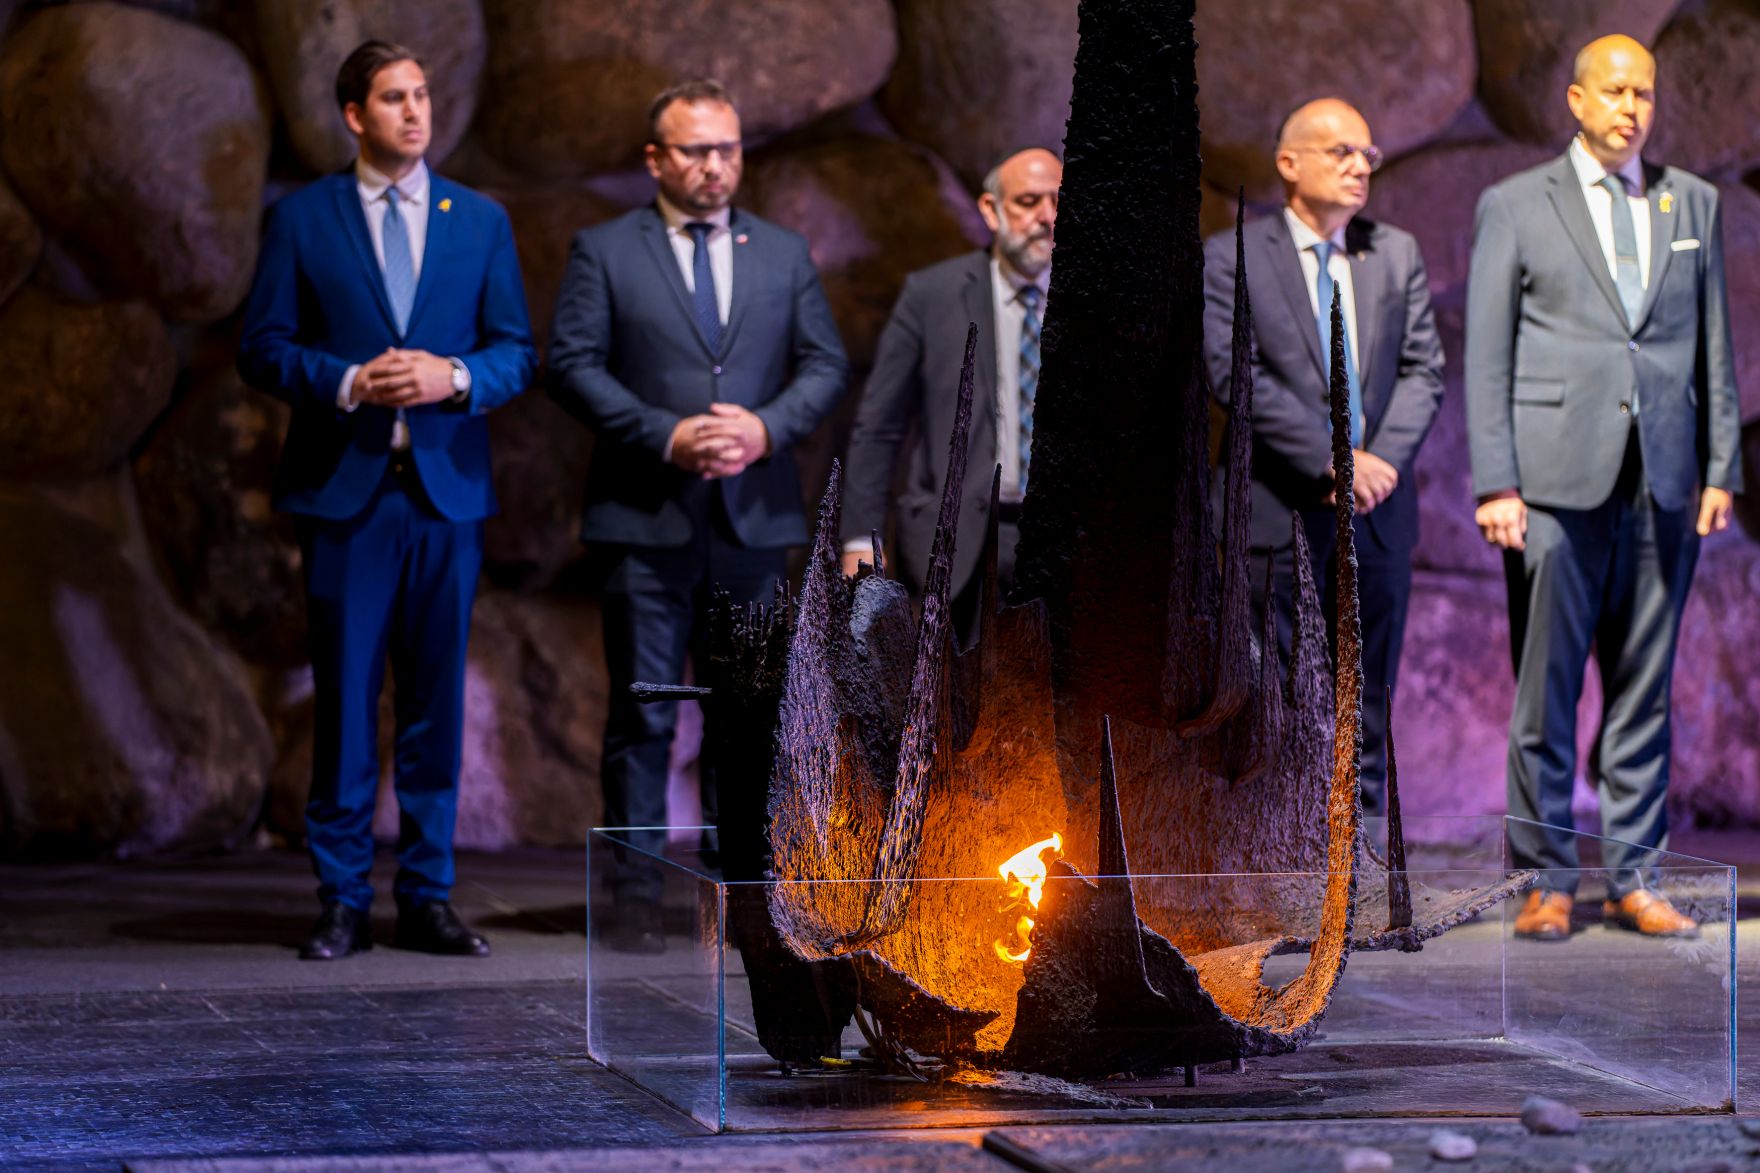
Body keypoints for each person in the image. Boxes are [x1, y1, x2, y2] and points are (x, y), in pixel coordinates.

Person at [238, 41, 536, 960]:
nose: (416, 112)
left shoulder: (478, 219)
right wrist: (346, 381)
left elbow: (516, 352)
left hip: (445, 497)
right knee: (345, 701)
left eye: (422, 95)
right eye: (393, 98)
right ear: (354, 116)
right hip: (347, 497)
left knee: (434, 705)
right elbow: (263, 345)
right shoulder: (304, 218)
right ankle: (339, 897)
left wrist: (452, 374)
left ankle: (428, 894)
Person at [548, 78, 848, 953]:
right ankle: (635, 902)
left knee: (747, 716)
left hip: (753, 519)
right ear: (656, 159)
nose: (715, 165)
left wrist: (765, 426)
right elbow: (570, 364)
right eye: (695, 150)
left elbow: (825, 365)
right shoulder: (605, 249)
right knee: (643, 714)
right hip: (645, 518)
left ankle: (745, 896)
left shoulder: (783, 252)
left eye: (727, 148)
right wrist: (665, 434)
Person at [1466, 35, 1740, 941]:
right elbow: (1487, 352)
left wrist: (1719, 465)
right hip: (1550, 483)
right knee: (1544, 691)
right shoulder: (1514, 203)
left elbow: (1714, 348)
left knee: (1645, 687)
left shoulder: (1688, 200)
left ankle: (1634, 876)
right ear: (1576, 101)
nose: (1632, 107)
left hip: (1664, 479)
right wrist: (1497, 481)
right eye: (1615, 91)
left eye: (1645, 94)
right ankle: (1546, 880)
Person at [1202, 98, 1444, 816]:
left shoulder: (1392, 251)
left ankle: (1359, 852)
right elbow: (1232, 372)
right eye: (1341, 152)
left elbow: (1424, 370)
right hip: (1275, 515)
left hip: (1376, 511)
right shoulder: (1233, 254)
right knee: (1275, 686)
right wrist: (1337, 459)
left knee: (1368, 692)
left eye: (1367, 155)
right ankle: (1278, 853)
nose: (1359, 167)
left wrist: (1380, 463)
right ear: (1289, 164)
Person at [840, 148, 1062, 640]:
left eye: (1057, 201)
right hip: (957, 542)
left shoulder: (1096, 299)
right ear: (991, 209)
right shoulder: (932, 294)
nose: (1047, 217)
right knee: (953, 706)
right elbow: (879, 426)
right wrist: (859, 536)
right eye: (1028, 201)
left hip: (1063, 543)